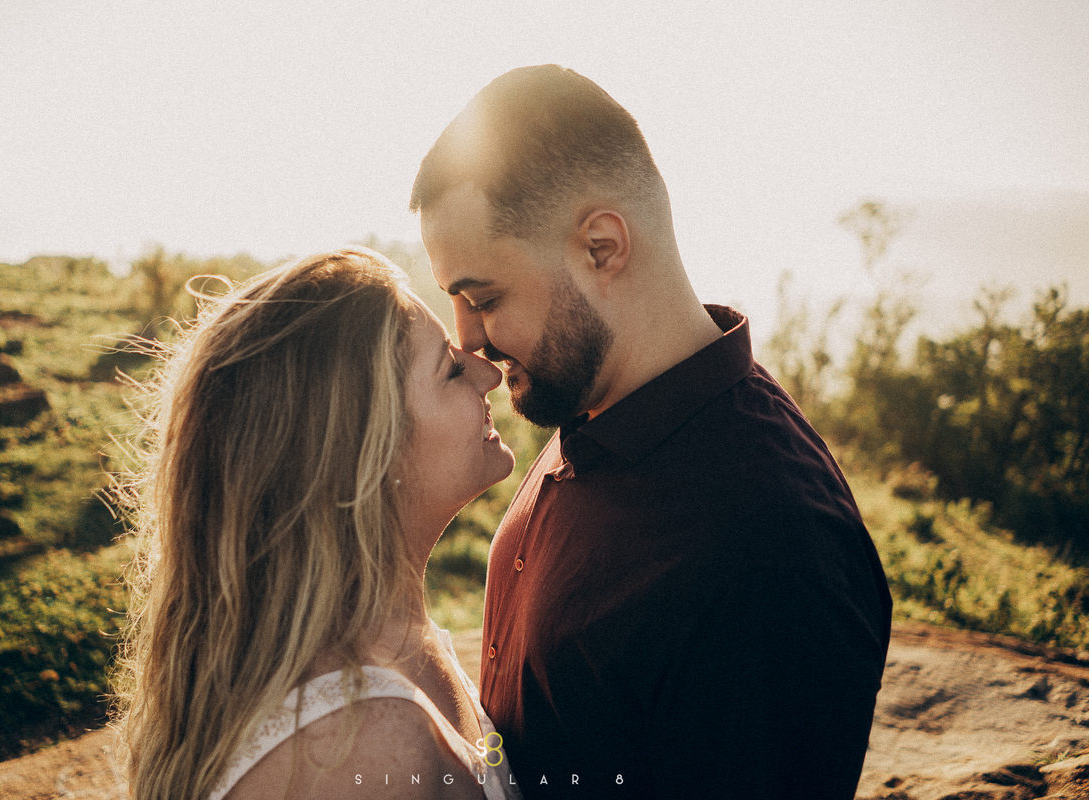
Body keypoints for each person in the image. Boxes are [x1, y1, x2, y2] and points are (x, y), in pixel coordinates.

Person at [410, 65, 893, 798]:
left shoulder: (771, 553)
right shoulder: (590, 401)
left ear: (602, 247)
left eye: (483, 297)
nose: (467, 339)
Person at [115, 248, 525, 800]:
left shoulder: (392, 649)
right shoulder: (361, 751)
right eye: (450, 369)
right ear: (363, 455)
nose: (488, 373)